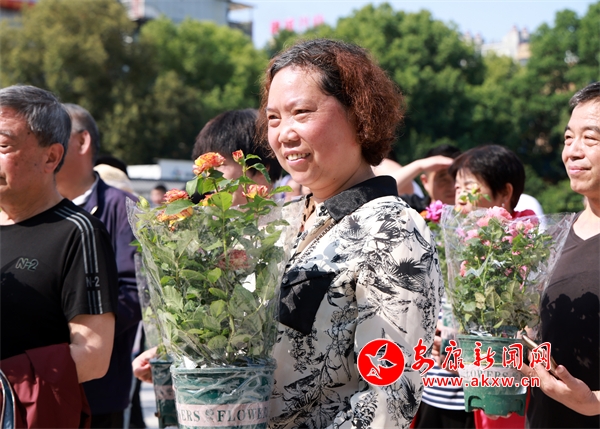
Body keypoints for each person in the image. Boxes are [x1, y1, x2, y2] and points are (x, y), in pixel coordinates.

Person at [258, 38, 442, 428]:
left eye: (301, 112)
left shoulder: (392, 230)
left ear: (360, 116)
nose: (284, 133)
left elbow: (390, 397)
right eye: (274, 118)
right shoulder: (282, 220)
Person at [0, 85, 118, 427]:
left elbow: (93, 355)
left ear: (51, 157)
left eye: (3, 145)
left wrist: (6, 382)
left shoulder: (79, 233)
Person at [55, 103, 141, 428]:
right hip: (36, 382)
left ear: (82, 141)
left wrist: (75, 335)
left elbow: (134, 291)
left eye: (52, 134)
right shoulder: (33, 208)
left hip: (99, 391)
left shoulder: (122, 208)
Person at [523, 82, 600, 427]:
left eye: (590, 138)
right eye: (569, 138)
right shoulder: (555, 235)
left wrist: (594, 403)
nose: (573, 151)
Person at [191, 108, 282, 205]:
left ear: (262, 169)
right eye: (207, 168)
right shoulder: (206, 213)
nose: (209, 176)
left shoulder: (291, 213)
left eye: (219, 164)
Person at [398, 144, 462, 213]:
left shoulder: (470, 213)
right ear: (425, 181)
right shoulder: (412, 208)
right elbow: (388, 191)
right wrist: (419, 165)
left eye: (456, 179)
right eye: (443, 180)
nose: (453, 187)